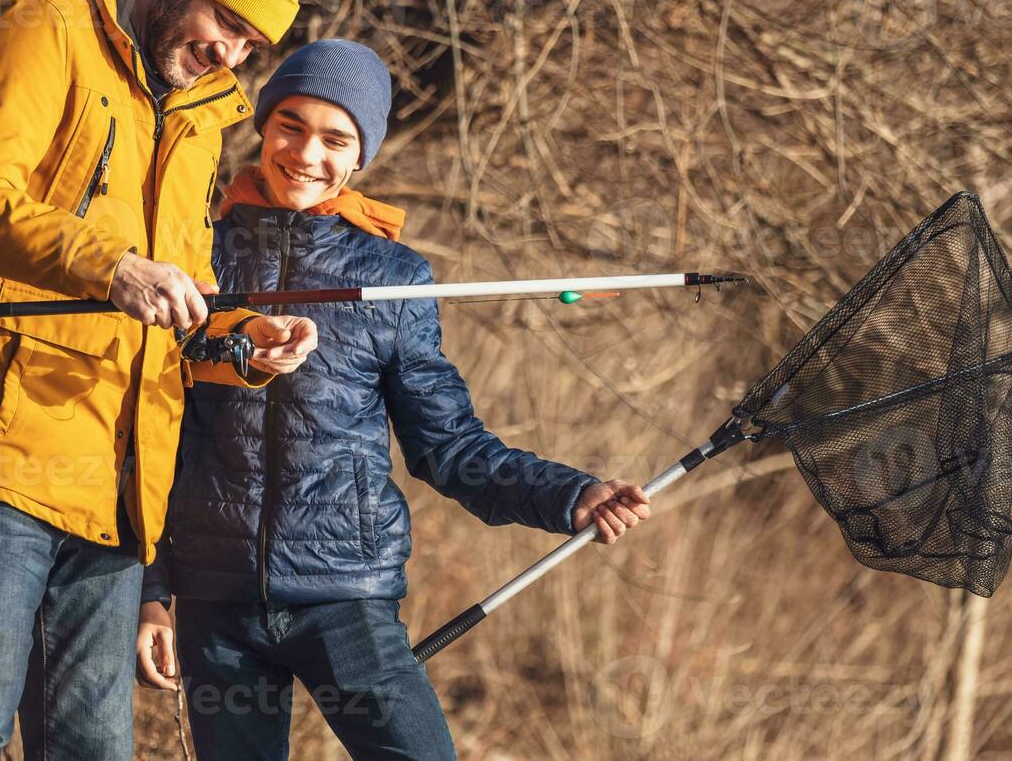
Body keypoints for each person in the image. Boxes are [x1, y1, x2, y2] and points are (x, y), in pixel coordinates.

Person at [0, 0, 319, 760]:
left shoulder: (202, 117)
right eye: (224, 20)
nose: (227, 52)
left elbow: (178, 300)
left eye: (249, 44)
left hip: (116, 480)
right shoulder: (40, 28)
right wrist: (107, 265)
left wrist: (242, 344)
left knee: (91, 749)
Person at [135, 39, 651, 759]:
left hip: (346, 597)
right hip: (213, 603)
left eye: (334, 138)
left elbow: (449, 448)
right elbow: (149, 434)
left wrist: (572, 496)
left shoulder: (395, 276)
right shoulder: (195, 253)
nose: (306, 152)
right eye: (290, 125)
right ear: (264, 127)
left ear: (358, 158)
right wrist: (150, 589)